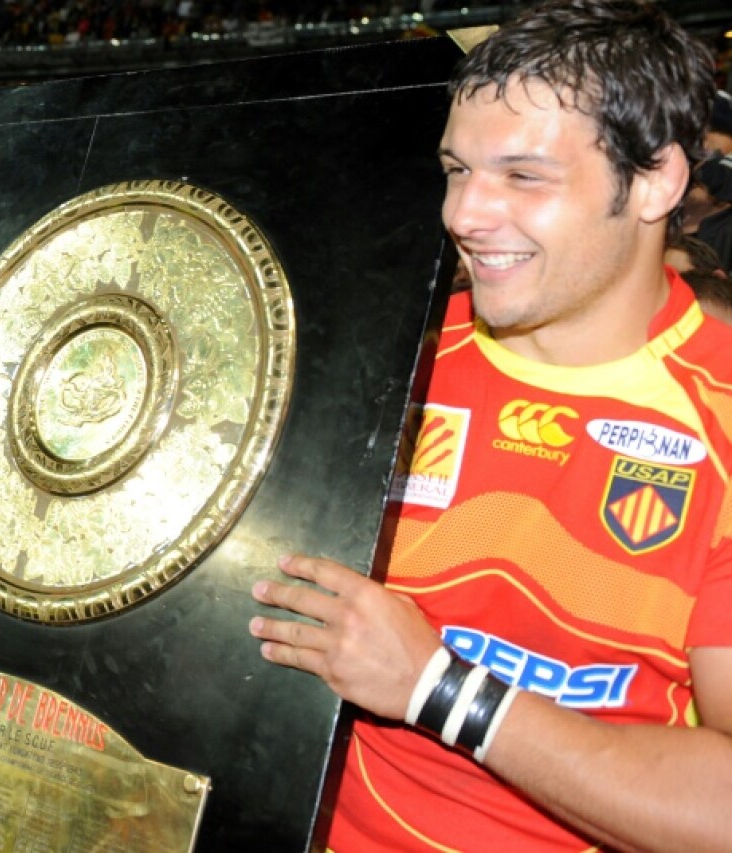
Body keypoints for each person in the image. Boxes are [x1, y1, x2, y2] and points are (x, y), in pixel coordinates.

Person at [248, 1, 732, 849]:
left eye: (523, 176)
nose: (465, 214)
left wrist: (439, 686)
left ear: (654, 179)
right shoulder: (386, 348)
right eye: (456, 170)